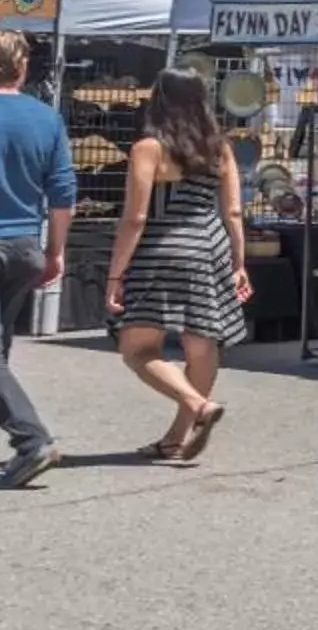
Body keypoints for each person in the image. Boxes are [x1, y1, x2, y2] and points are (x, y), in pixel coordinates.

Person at [105, 70, 251, 462]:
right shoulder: (220, 148)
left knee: (137, 348)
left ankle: (196, 405)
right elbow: (234, 211)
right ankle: (177, 436)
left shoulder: (148, 148)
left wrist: (116, 273)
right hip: (211, 248)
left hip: (161, 251)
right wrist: (239, 262)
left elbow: (135, 218)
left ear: (159, 99)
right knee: (201, 342)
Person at [0, 28, 73, 489]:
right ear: (22, 68)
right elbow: (62, 194)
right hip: (23, 247)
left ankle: (31, 440)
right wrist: (55, 250)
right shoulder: (45, 118)